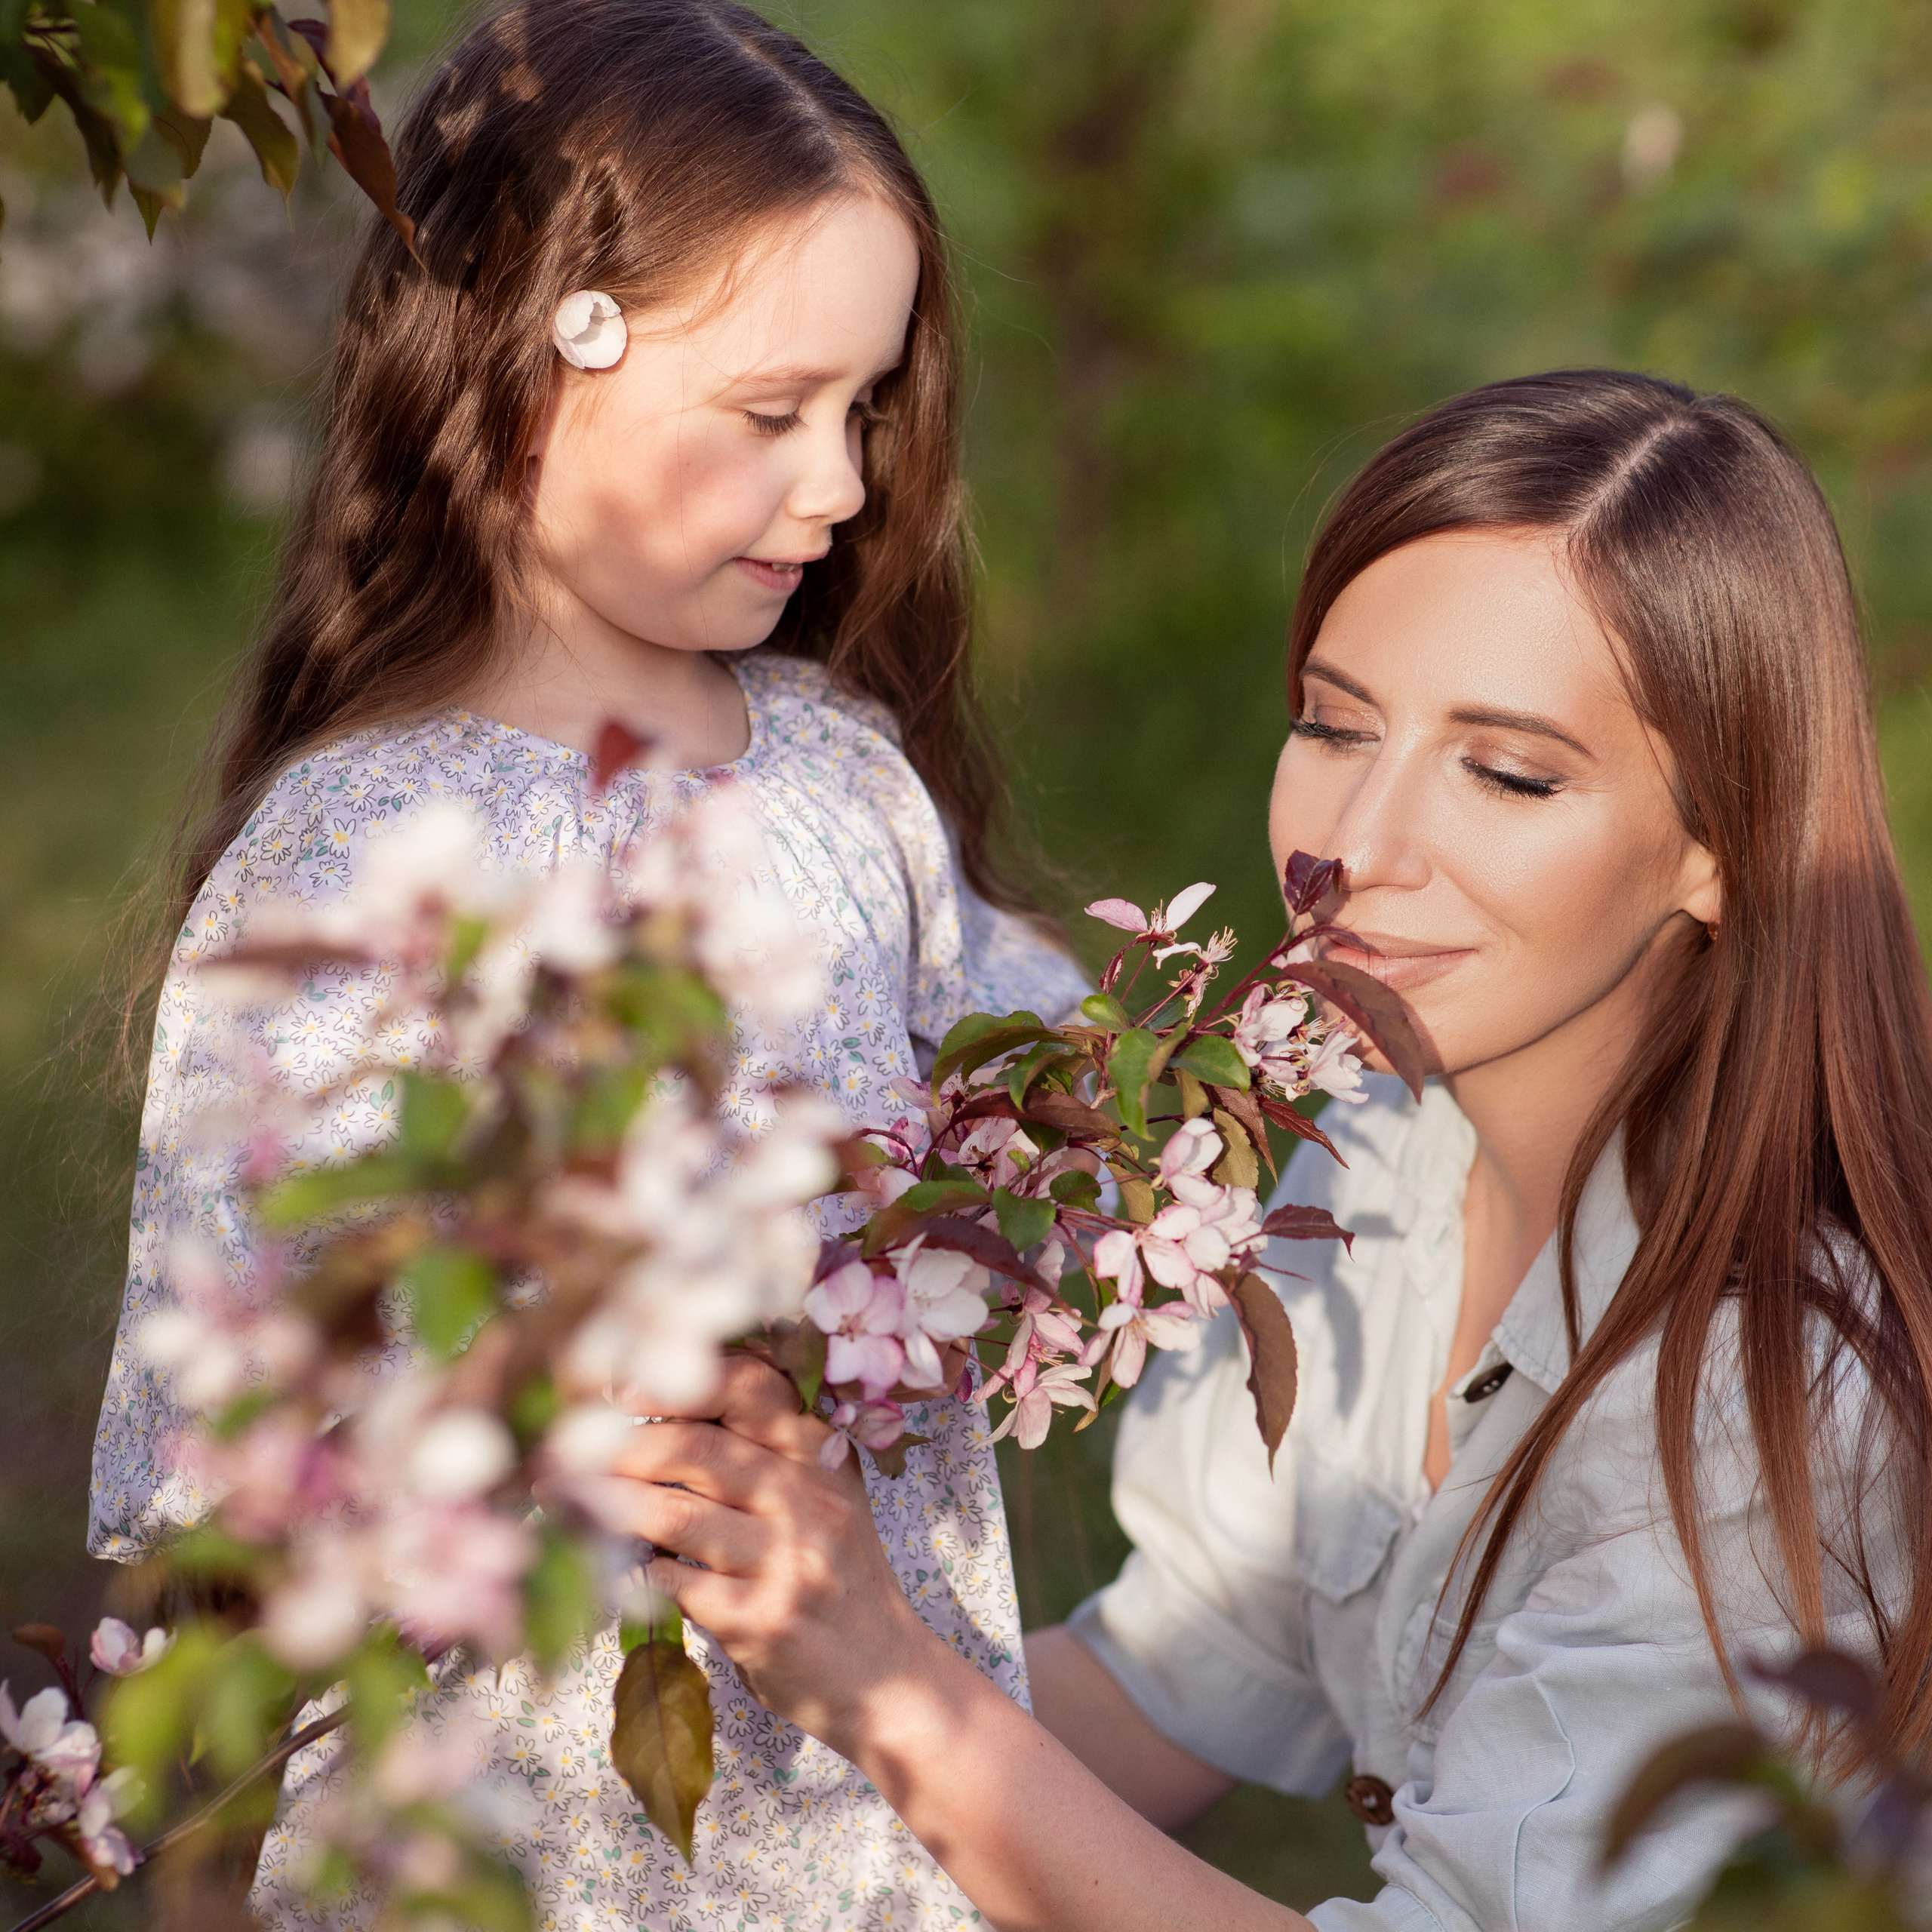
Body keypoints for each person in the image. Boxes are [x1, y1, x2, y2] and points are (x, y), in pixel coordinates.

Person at [605, 369, 1932, 1931]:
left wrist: (893, 1684)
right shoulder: (1363, 1160)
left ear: (1719, 841)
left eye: (1506, 771)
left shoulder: (1763, 1393)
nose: (1350, 846)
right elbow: (1172, 1681)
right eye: (1330, 722)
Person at [85, 2, 1086, 1922]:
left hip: (863, 1837)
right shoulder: (358, 858)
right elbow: (207, 1480)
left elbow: (1037, 1106)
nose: (844, 487)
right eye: (771, 411)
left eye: (865, 409)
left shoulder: (839, 776)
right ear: (546, 357)